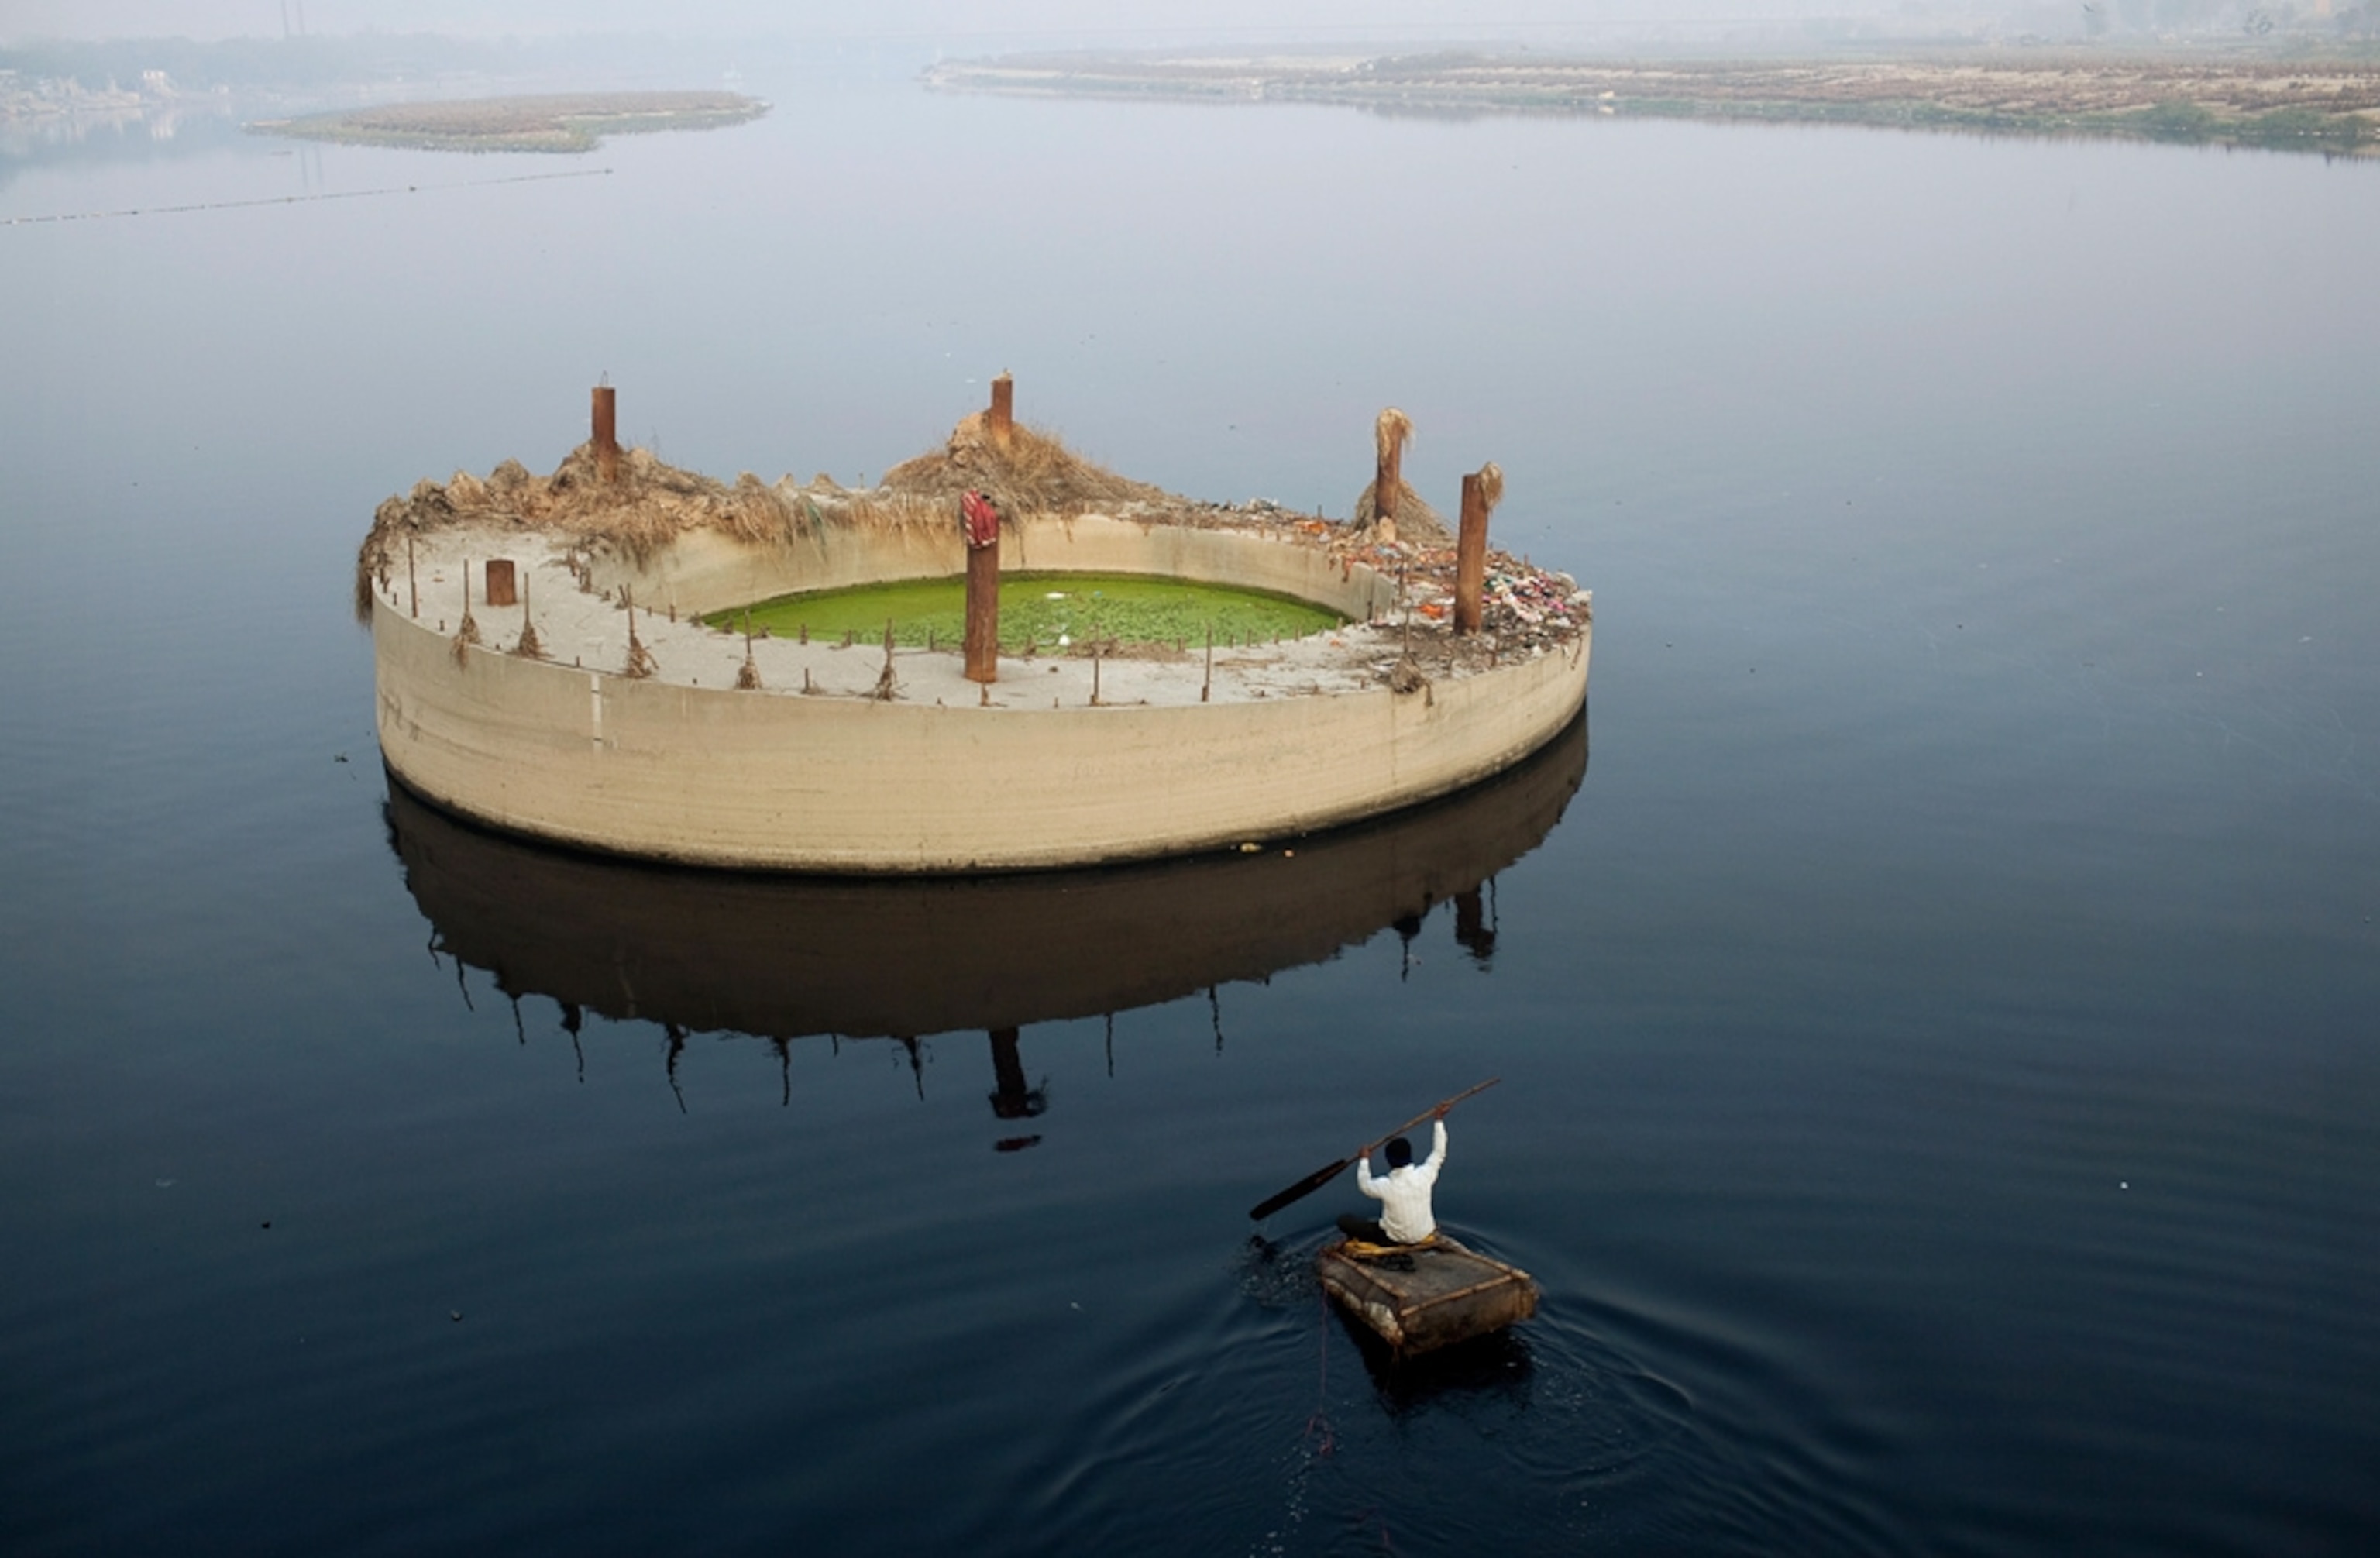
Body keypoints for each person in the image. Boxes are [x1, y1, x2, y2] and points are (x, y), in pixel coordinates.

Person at [1339, 1104, 1448, 1245]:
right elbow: (1439, 1152)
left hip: (1394, 1238)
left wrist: (1364, 1160)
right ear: (1410, 1155)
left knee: (1344, 1221)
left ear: (1389, 1161)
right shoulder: (1425, 1175)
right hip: (1424, 1234)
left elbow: (1364, 1185)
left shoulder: (1386, 1186)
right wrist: (1439, 1120)